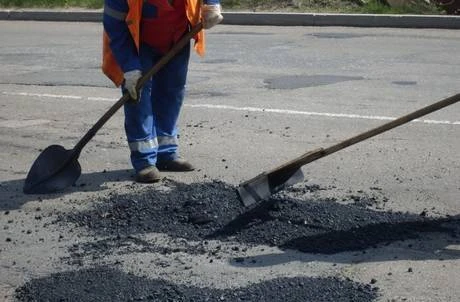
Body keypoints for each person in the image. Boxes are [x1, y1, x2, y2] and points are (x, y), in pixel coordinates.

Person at [102, 0, 223, 183]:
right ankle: (144, 161)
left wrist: (212, 4)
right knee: (138, 97)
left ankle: (166, 153)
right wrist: (129, 67)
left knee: (171, 93)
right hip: (138, 42)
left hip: (178, 35)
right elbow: (114, 25)